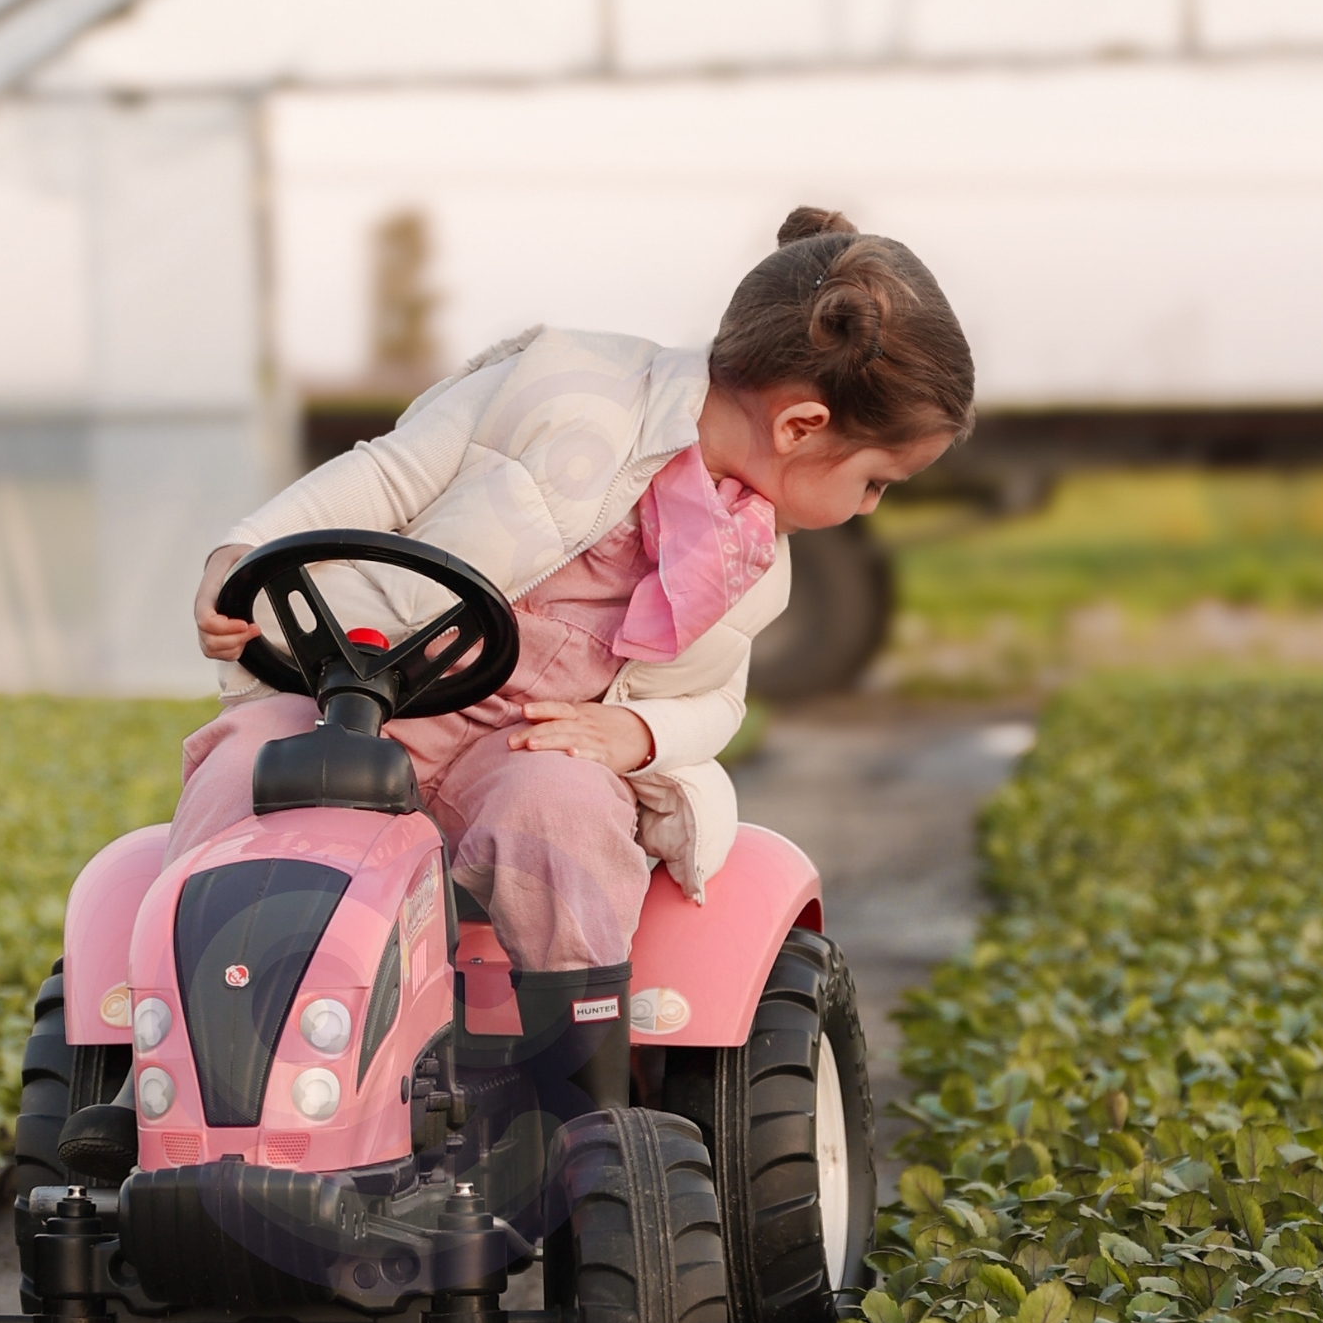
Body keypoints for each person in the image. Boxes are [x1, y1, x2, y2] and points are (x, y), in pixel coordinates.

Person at [171, 206, 976, 1124]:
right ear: (801, 425)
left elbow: (715, 700)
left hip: (521, 748)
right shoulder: (563, 389)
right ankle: (198, 1068)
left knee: (564, 816)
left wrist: (633, 731)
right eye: (875, 481)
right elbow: (387, 473)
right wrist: (245, 548)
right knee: (245, 772)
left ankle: (583, 1106)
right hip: (361, 694)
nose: (869, 507)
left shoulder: (751, 566)